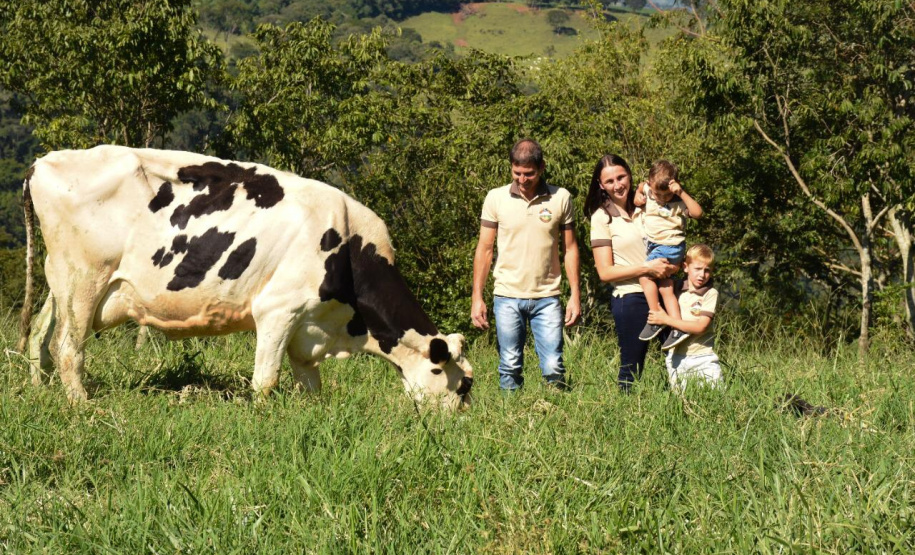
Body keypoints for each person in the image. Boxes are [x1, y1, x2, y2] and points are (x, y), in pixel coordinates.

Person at [471, 138, 581, 391]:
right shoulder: (495, 198)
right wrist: (477, 297)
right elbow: (485, 249)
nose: (522, 179)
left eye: (529, 174)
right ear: (511, 167)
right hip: (507, 295)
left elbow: (570, 248)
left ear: (541, 168)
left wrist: (575, 295)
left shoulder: (560, 197)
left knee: (554, 365)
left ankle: (558, 415)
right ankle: (510, 420)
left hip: (548, 296)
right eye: (517, 173)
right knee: (509, 364)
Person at [585, 154, 677, 391]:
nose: (617, 185)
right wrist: (647, 268)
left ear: (629, 174)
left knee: (678, 358)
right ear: (601, 185)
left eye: (621, 177)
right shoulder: (601, 217)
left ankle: (685, 408)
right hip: (631, 298)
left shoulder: (648, 204)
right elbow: (604, 272)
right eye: (610, 181)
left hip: (665, 291)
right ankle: (624, 414)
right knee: (632, 366)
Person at [633, 160, 703, 349]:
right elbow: (640, 189)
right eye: (658, 194)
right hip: (657, 247)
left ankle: (656, 315)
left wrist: (680, 192)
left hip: (670, 246)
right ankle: (677, 325)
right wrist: (638, 196)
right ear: (649, 183)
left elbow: (698, 213)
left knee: (644, 276)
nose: (663, 198)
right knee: (665, 286)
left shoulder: (678, 202)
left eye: (667, 194)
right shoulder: (647, 188)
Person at [646, 244, 722, 391]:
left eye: (707, 270)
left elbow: (701, 327)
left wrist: (666, 320)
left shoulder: (710, 293)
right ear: (686, 267)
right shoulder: (675, 288)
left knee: (715, 399)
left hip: (703, 357)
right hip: (676, 358)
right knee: (682, 403)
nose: (702, 275)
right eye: (698, 269)